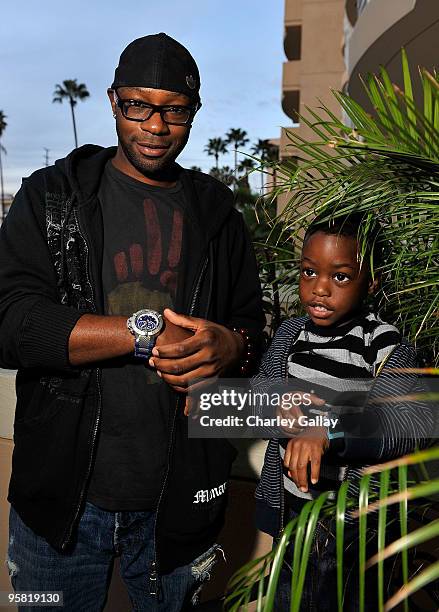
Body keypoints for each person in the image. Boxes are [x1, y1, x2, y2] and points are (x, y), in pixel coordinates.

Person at [0, 33, 264, 611]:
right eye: (138, 106)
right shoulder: (51, 198)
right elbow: (12, 323)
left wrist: (229, 344)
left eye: (174, 109)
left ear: (193, 113)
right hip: (59, 508)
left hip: (181, 503)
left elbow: (253, 331)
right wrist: (143, 331)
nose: (155, 125)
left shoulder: (218, 214)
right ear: (114, 102)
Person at [252, 214, 433, 611]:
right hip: (290, 516)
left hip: (351, 526)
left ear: (371, 282)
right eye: (308, 271)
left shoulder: (384, 347)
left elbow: (405, 423)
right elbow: (260, 387)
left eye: (341, 277)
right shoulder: (289, 335)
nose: (319, 289)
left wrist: (328, 429)